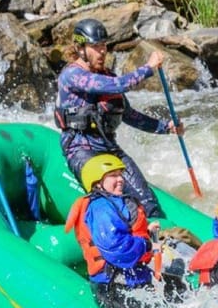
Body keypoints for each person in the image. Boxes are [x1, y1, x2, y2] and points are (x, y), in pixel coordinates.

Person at [54, 18, 183, 218]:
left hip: (108, 147)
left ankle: (162, 239)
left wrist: (166, 127)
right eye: (95, 46)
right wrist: (148, 68)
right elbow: (118, 85)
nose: (102, 51)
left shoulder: (107, 75)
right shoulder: (72, 75)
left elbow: (129, 115)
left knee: (147, 200)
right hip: (80, 148)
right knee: (116, 198)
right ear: (80, 49)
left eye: (104, 45)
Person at [64, 153, 184, 308]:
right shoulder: (100, 208)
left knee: (180, 289)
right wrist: (148, 245)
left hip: (133, 278)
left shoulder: (112, 202)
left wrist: (147, 232)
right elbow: (117, 248)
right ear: (97, 182)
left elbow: (127, 232)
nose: (120, 179)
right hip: (112, 288)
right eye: (113, 175)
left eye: (120, 174)